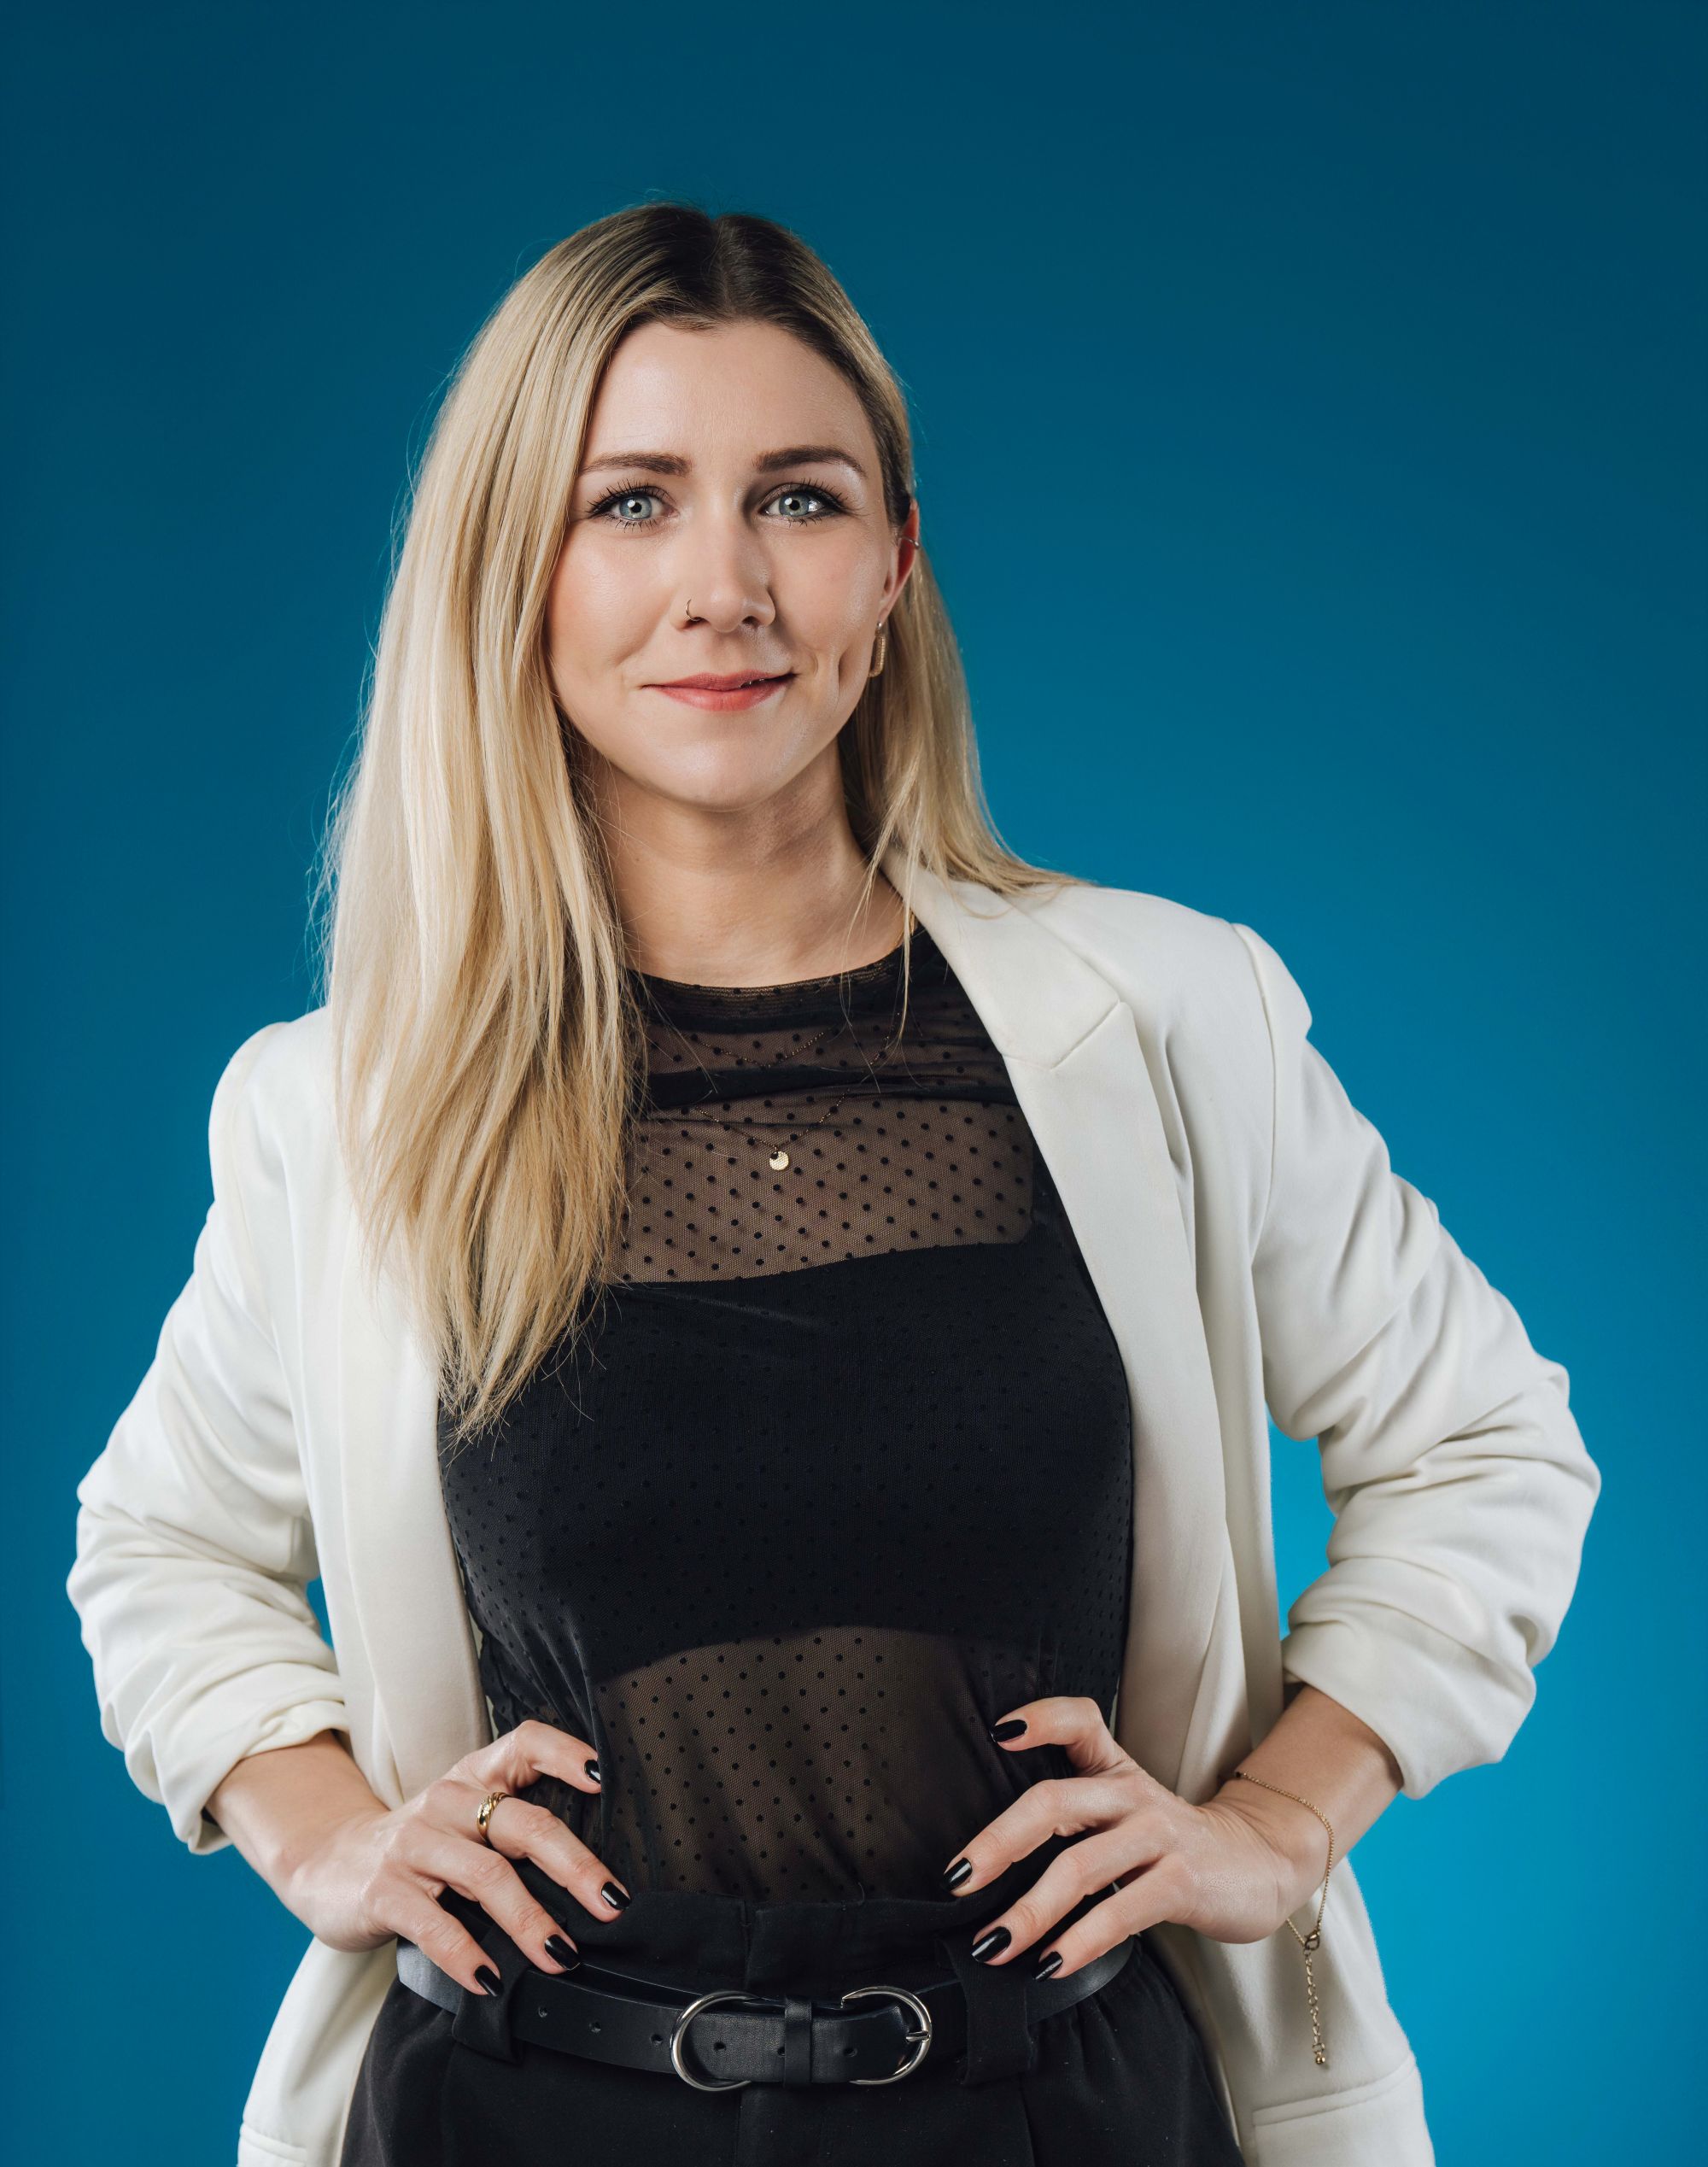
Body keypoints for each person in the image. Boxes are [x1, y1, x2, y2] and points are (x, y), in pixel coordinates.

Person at [67, 202, 1600, 2167]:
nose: (723, 587)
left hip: (1060, 2110)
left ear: (893, 567)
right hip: (518, 2114)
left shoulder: (1167, 1018)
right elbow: (160, 1549)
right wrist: (321, 1835)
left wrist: (1280, 1826)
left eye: (795, 499)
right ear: (512, 571)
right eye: (631, 503)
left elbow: (1486, 1448)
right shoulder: (347, 1108)